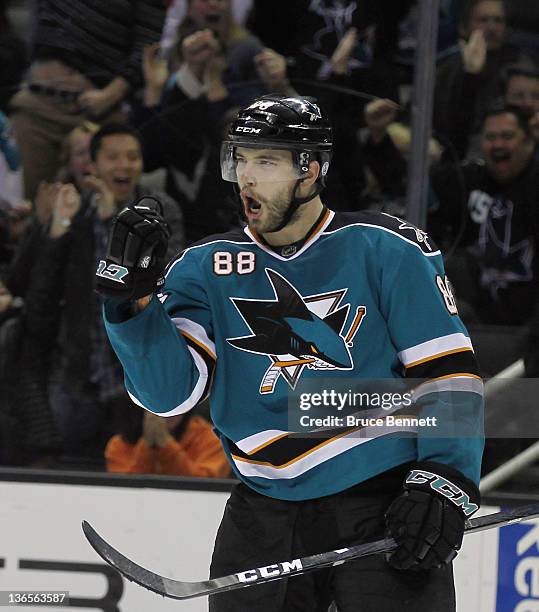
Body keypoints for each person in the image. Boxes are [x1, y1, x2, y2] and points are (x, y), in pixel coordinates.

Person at [96, 95, 484, 610]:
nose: (246, 178)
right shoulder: (203, 268)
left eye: (266, 161)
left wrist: (445, 480)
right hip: (263, 512)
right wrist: (134, 307)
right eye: (239, 159)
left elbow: (448, 375)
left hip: (381, 501)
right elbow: (169, 397)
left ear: (311, 170)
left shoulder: (388, 248)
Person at [105, 405, 231, 477]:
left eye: (174, 403)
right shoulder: (118, 445)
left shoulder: (211, 439)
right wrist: (147, 446)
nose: (165, 411)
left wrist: (166, 445)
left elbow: (206, 487)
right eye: (154, 404)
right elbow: (124, 490)